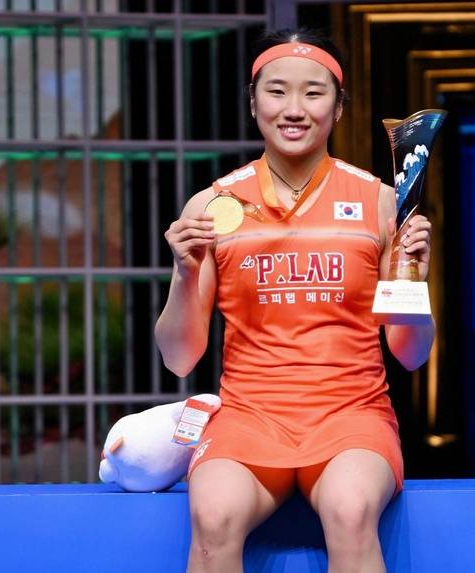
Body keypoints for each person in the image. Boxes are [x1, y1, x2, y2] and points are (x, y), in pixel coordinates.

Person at [155, 28, 434, 573]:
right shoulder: (212, 205)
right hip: (248, 417)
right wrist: (185, 274)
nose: (294, 109)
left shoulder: (380, 203)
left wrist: (413, 285)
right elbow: (179, 357)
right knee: (213, 516)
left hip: (351, 417)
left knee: (350, 509)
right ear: (253, 101)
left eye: (314, 92)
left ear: (339, 106)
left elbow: (411, 354)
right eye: (277, 90)